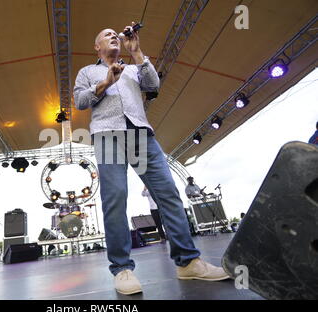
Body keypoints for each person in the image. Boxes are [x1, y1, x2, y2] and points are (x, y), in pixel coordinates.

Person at [74, 23, 229, 295]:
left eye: (116, 35)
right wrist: (105, 83)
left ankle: (188, 262)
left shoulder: (134, 68)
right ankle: (122, 269)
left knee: (168, 193)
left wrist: (137, 52)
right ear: (96, 47)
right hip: (108, 136)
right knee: (115, 199)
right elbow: (80, 102)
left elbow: (153, 85)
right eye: (106, 35)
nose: (113, 37)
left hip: (141, 136)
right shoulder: (87, 72)